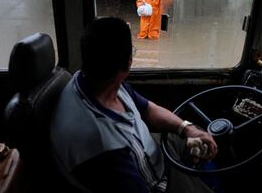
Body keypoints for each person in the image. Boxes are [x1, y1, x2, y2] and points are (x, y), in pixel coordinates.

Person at [50, 17, 218, 193]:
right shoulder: (104, 146)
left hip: (149, 149)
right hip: (158, 181)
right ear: (128, 62)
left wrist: (187, 128)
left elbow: (147, 108)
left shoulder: (92, 80)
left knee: (199, 138)